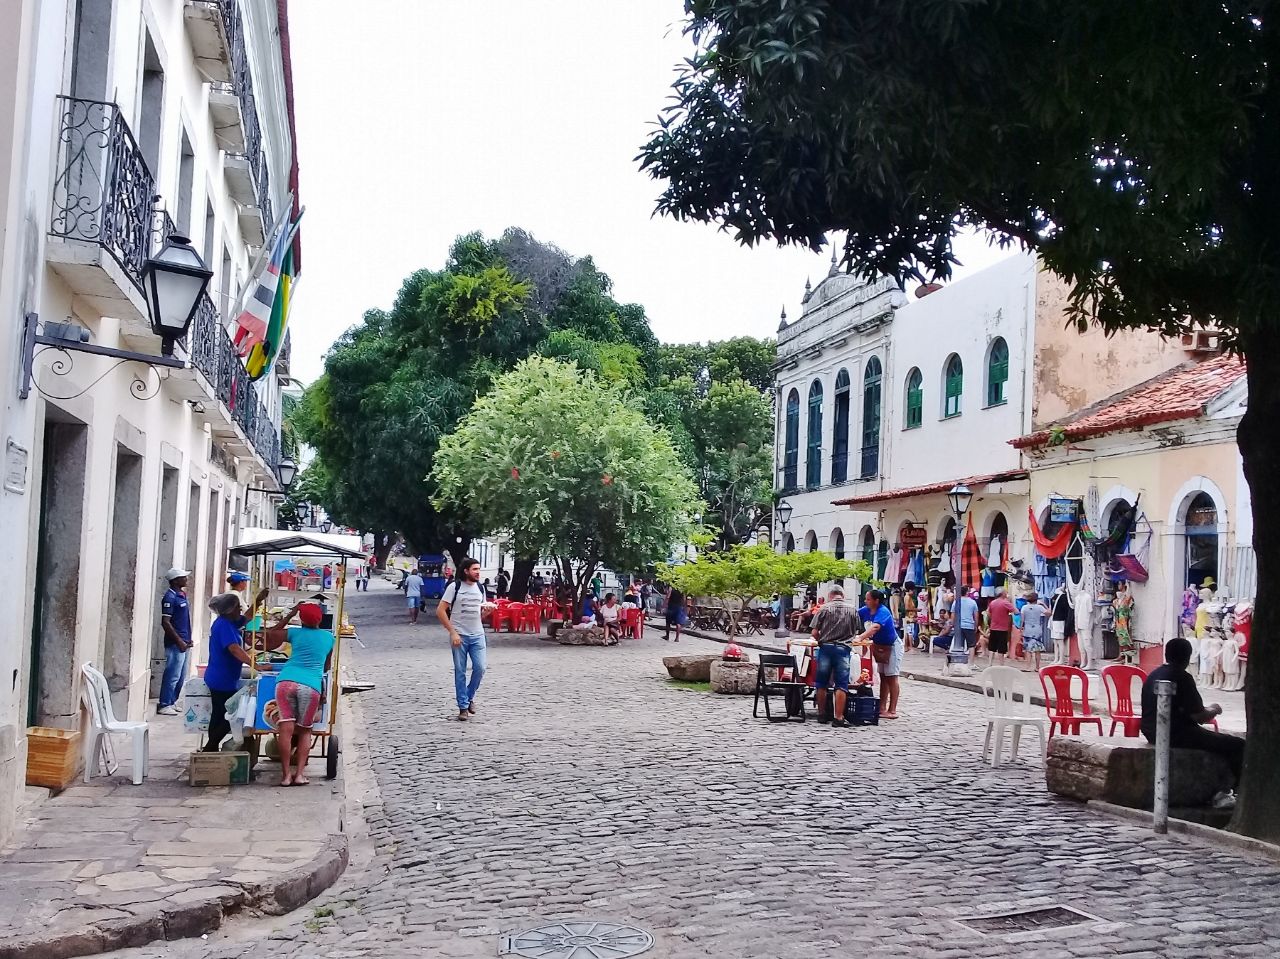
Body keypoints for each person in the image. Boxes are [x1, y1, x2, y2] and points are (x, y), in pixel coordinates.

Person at [1141, 637, 1244, 807]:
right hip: (1177, 734)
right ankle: (1229, 792)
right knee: (1237, 745)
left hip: (1151, 731)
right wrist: (1215, 709)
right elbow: (1199, 716)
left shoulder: (1153, 675)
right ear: (1188, 658)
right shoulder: (1182, 677)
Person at [263, 602, 334, 786]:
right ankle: (300, 775)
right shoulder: (329, 638)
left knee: (285, 729)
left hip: (285, 682)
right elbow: (326, 667)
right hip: (310, 685)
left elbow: (271, 633)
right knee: (304, 730)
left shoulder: (294, 633)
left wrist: (289, 614)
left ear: (301, 619)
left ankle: (286, 776)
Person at [202, 592, 256, 751]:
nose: (240, 610)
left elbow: (246, 618)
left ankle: (211, 749)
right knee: (231, 715)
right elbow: (234, 649)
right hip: (221, 678)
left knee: (219, 714)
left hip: (224, 676)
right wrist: (255, 664)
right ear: (229, 610)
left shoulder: (230, 622)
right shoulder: (224, 625)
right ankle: (210, 747)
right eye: (237, 607)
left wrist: (258, 601)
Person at [437, 558, 487, 721]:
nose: (478, 572)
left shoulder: (481, 588)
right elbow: (441, 610)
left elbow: (479, 614)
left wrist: (487, 613)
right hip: (459, 635)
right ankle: (463, 707)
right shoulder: (454, 587)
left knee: (480, 668)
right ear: (466, 571)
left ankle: (469, 695)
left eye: (479, 569)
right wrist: (452, 632)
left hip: (478, 635)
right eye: (474, 569)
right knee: (460, 672)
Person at [810, 586, 864, 728]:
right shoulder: (852, 609)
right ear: (842, 595)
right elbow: (857, 630)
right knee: (841, 684)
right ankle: (838, 717)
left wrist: (823, 638)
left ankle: (822, 715)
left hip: (825, 648)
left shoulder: (823, 609)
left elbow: (814, 633)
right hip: (843, 650)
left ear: (830, 596)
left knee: (821, 683)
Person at [860, 589, 903, 718]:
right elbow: (854, 614)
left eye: (868, 599)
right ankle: (882, 708)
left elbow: (875, 627)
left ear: (876, 601)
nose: (866, 601)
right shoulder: (866, 610)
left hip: (892, 646)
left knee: (892, 677)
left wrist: (861, 637)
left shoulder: (883, 611)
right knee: (883, 676)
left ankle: (892, 709)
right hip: (879, 646)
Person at [158, 568, 193, 715]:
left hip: (184, 641)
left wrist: (187, 640)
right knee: (172, 674)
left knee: (181, 675)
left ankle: (172, 701)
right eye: (183, 577)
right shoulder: (170, 598)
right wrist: (179, 641)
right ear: (176, 580)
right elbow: (166, 622)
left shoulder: (181, 595)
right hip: (175, 643)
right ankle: (165, 703)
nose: (186, 579)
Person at [1019, 592, 1049, 670]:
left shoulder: (1024, 607)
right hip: (1037, 629)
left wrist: (1020, 628)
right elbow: (1049, 613)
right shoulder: (1039, 607)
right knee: (1037, 649)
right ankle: (1037, 667)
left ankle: (1028, 667)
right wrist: (1044, 605)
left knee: (1028, 649)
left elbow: (1022, 620)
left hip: (1027, 629)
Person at [986, 588, 1016, 664]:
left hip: (993, 627)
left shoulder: (992, 603)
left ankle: (990, 663)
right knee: (1001, 648)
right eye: (1006, 592)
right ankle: (1001, 664)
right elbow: (1016, 611)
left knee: (992, 647)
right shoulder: (1005, 603)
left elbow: (988, 613)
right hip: (1003, 628)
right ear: (1002, 594)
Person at [955, 584, 980, 653]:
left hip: (959, 626)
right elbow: (976, 616)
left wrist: (954, 625)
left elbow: (953, 615)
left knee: (960, 645)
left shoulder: (956, 602)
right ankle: (971, 662)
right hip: (969, 626)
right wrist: (975, 626)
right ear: (967, 592)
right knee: (971, 645)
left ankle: (961, 660)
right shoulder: (973, 602)